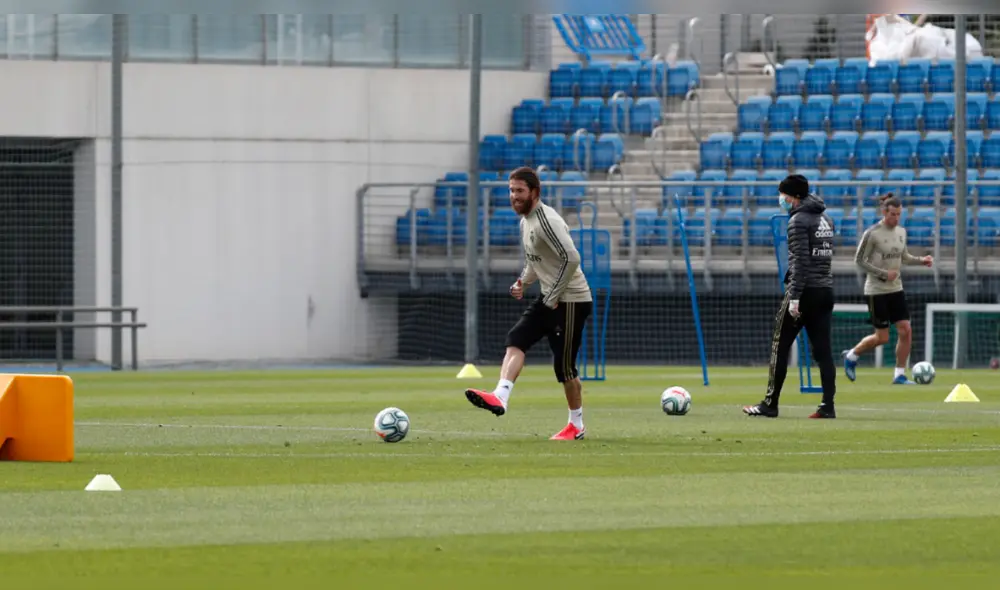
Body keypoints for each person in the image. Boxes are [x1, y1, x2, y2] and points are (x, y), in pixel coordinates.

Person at [464, 167, 593, 440]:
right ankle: (501, 396)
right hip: (549, 297)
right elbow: (536, 260)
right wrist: (523, 282)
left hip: (571, 300)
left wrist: (554, 296)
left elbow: (571, 258)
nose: (514, 196)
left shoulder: (547, 220)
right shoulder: (525, 222)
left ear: (534, 192)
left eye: (519, 191)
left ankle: (577, 425)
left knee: (564, 368)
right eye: (511, 191)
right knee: (516, 338)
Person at [744, 174, 837, 419]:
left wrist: (794, 297)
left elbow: (800, 262)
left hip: (804, 291)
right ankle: (828, 406)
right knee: (823, 351)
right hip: (825, 290)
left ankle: (770, 404)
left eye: (783, 195)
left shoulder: (797, 221)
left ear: (794, 197)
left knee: (780, 345)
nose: (780, 199)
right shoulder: (825, 218)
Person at [843, 193, 933, 384]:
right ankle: (852, 355)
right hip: (876, 291)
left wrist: (921, 261)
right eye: (893, 214)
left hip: (896, 289)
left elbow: (904, 257)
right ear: (884, 212)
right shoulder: (872, 233)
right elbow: (859, 260)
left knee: (906, 329)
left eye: (899, 214)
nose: (896, 218)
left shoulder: (901, 231)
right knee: (882, 337)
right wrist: (883, 274)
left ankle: (899, 374)